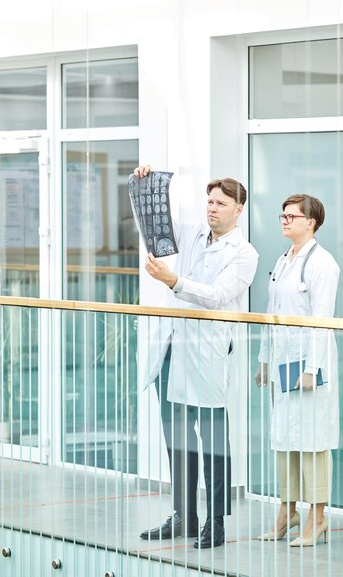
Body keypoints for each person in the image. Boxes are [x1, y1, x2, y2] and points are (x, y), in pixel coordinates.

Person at [135, 164, 258, 548]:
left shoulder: (244, 254)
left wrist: (174, 281)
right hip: (173, 349)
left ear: (239, 209)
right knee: (177, 440)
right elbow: (157, 221)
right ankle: (184, 516)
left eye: (221, 203)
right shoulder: (192, 235)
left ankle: (215, 522)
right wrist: (146, 184)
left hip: (207, 354)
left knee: (212, 442)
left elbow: (217, 295)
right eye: (209, 201)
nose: (212, 208)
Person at [256, 194, 339, 547]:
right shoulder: (283, 260)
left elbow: (321, 320)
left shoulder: (323, 264)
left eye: (292, 216)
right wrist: (263, 359)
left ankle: (316, 519)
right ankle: (286, 513)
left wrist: (311, 368)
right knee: (285, 441)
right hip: (281, 362)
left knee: (312, 442)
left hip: (308, 366)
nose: (285, 221)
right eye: (283, 215)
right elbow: (270, 311)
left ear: (312, 222)